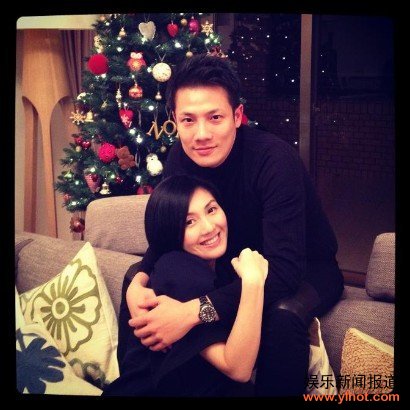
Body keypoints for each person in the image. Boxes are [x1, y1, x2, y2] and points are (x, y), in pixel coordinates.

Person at [125, 54, 345, 396]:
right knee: (138, 278)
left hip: (305, 269)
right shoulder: (180, 156)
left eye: (215, 117)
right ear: (175, 121)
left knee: (283, 316)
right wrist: (137, 280)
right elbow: (168, 234)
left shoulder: (274, 161)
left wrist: (195, 311)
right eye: (188, 120)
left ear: (238, 116)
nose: (201, 134)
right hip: (234, 266)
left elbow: (285, 272)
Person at [104, 175, 268, 396]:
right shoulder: (179, 272)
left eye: (211, 210)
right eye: (189, 222)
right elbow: (238, 368)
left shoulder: (215, 265)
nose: (208, 227)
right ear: (170, 231)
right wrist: (253, 282)